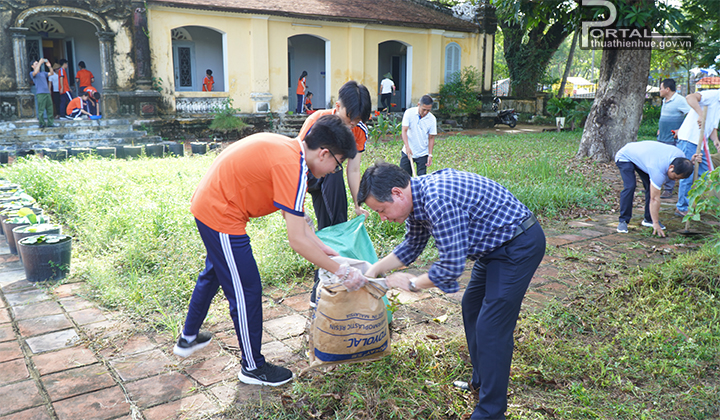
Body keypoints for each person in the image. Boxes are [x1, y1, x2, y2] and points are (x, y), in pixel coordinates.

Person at [174, 115, 368, 387]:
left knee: (215, 273)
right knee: (246, 289)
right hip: (221, 213)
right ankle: (252, 367)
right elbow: (297, 241)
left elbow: (299, 222)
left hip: (212, 203)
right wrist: (341, 271)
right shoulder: (293, 166)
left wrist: (324, 250)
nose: (332, 173)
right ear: (324, 153)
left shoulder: (292, 154)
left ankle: (189, 337)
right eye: (337, 165)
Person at [359, 162, 545, 420]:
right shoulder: (416, 198)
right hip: (490, 249)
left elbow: (450, 267)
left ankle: (491, 412)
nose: (382, 217)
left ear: (397, 193)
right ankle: (481, 383)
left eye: (381, 210)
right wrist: (373, 270)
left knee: (491, 328)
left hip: (518, 245)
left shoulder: (438, 200)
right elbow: (412, 245)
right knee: (472, 307)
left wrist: (412, 284)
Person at [297, 80, 371, 305]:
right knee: (336, 227)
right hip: (310, 175)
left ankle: (322, 290)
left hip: (331, 174)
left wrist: (358, 203)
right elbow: (297, 162)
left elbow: (354, 168)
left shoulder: (359, 131)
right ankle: (330, 286)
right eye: (348, 120)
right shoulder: (316, 121)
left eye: (356, 122)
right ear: (337, 106)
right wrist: (297, 206)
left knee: (328, 230)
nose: (351, 127)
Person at [615, 141, 696, 236]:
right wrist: (656, 223)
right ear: (671, 167)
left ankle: (648, 219)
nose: (676, 180)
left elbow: (686, 165)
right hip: (625, 156)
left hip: (645, 158)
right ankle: (623, 221)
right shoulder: (658, 170)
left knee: (651, 186)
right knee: (630, 186)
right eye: (675, 177)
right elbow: (654, 199)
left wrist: (692, 161)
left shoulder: (682, 158)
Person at [675, 89, 720, 217]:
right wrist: (701, 114)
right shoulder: (713, 95)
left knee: (708, 174)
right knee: (687, 173)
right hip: (689, 139)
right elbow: (690, 97)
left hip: (701, 143)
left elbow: (712, 127)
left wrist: (715, 140)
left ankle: (698, 204)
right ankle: (682, 207)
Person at [656, 78, 691, 199]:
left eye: (661, 88)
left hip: (672, 139)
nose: (659, 90)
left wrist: (680, 130)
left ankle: (668, 189)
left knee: (671, 163)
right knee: (660, 162)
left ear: (667, 89)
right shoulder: (665, 101)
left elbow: (691, 115)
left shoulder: (680, 100)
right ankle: (659, 185)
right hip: (662, 137)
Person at [400, 95, 437, 176]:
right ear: (418, 105)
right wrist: (407, 147)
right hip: (408, 152)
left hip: (422, 153)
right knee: (404, 178)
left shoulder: (432, 119)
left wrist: (430, 155)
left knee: (421, 179)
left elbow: (431, 137)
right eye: (424, 109)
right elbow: (404, 130)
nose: (425, 112)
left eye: (428, 110)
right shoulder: (409, 113)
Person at [29, 58, 55, 128]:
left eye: (38, 63)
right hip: (40, 93)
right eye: (36, 64)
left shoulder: (43, 73)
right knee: (41, 109)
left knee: (50, 108)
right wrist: (40, 63)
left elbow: (51, 73)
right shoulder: (32, 73)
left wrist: (49, 66)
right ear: (32, 66)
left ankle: (50, 123)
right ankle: (42, 123)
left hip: (47, 93)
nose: (38, 65)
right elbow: (35, 72)